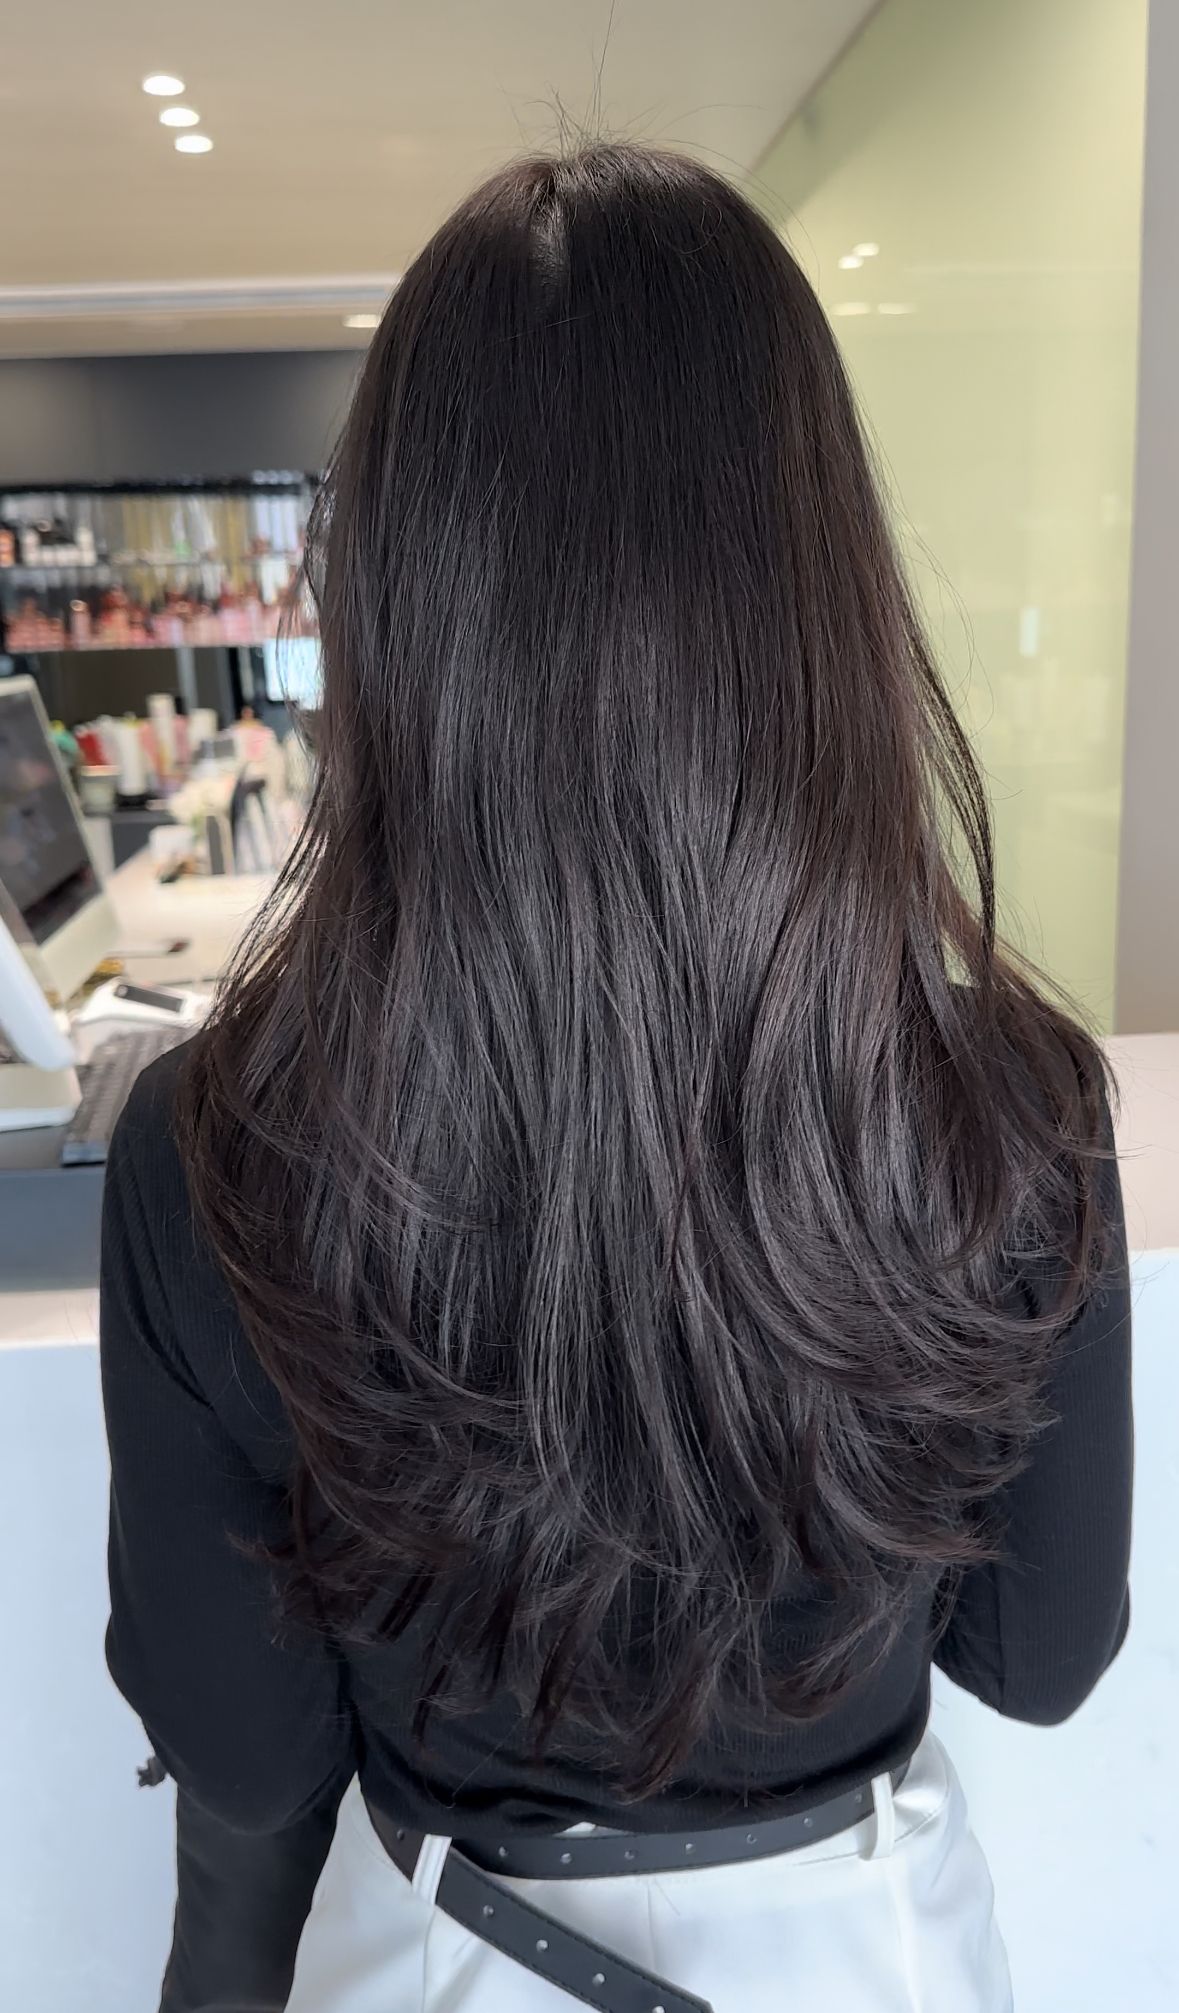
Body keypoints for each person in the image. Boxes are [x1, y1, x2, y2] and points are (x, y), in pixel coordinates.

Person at [100, 143, 1131, 2013]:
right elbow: (1042, 1656)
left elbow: (249, 1767)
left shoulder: (218, 1149)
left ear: (404, 596)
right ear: (817, 585)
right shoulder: (1008, 1109)